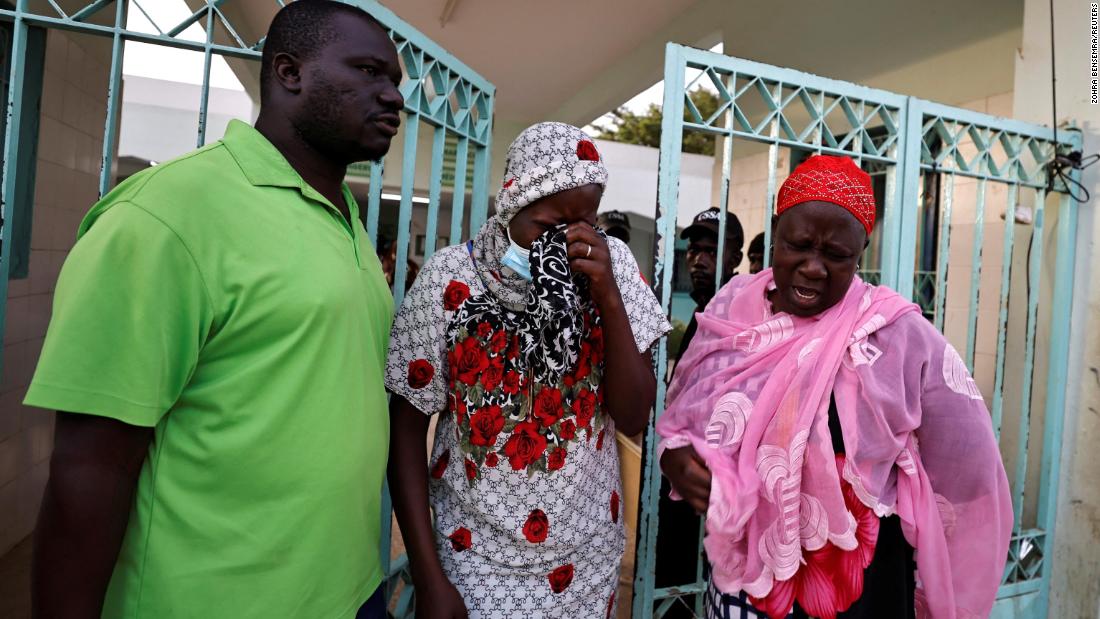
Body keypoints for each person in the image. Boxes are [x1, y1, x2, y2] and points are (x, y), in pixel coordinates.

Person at [26, 2, 404, 618]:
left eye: (394, 82)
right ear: (288, 72)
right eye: (368, 71)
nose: (392, 97)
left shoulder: (348, 222)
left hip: (351, 592)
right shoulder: (166, 216)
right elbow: (88, 468)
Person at [658, 155, 1011, 619]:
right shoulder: (733, 307)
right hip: (743, 582)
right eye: (797, 245)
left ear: (861, 252)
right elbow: (686, 410)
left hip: (856, 589)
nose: (813, 268)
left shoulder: (896, 335)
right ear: (777, 231)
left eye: (837, 256)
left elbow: (968, 458)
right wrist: (677, 455)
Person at [385, 122, 671, 618]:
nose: (566, 243)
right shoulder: (450, 280)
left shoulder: (612, 267)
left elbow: (633, 415)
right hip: (475, 559)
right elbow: (406, 433)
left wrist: (606, 297)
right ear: (511, 207)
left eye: (585, 222)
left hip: (585, 560)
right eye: (547, 226)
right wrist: (431, 578)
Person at [676, 207, 744, 360]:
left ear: (735, 259)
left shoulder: (741, 312)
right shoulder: (703, 307)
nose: (699, 261)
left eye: (712, 252)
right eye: (693, 250)